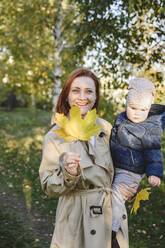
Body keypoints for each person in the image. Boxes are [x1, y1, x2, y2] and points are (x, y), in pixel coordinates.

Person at [39, 68, 137, 248]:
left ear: (96, 96)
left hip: (110, 218)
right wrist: (68, 173)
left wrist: (127, 187)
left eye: (89, 91)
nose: (82, 97)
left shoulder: (106, 128)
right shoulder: (55, 135)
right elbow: (48, 186)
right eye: (76, 90)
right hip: (77, 223)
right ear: (66, 95)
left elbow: (120, 168)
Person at [110, 78, 165, 236]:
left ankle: (112, 231)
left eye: (143, 109)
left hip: (131, 170)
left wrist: (154, 173)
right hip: (117, 165)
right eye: (132, 107)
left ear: (149, 108)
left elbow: (153, 151)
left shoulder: (149, 128)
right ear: (126, 103)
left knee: (117, 194)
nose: (137, 113)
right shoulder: (121, 118)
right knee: (107, 193)